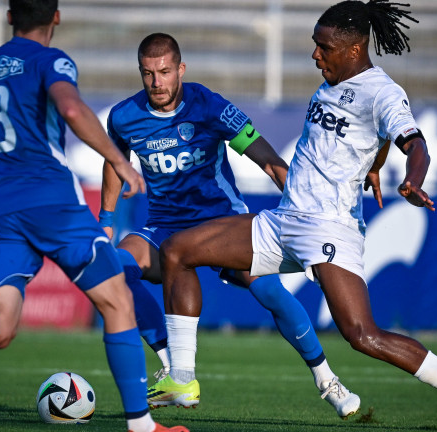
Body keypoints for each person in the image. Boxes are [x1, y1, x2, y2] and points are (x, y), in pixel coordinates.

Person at [158, 2, 437, 432]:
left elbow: (415, 143)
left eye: (324, 47)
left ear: (354, 48)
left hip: (328, 228)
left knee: (362, 335)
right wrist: (374, 162)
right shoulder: (332, 85)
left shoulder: (382, 91)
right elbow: (372, 136)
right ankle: (183, 379)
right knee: (177, 251)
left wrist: (413, 180)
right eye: (315, 45)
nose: (315, 55)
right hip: (284, 220)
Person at [0, 2, 188, 431]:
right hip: (51, 201)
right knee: (117, 299)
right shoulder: (52, 60)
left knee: (3, 326)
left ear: (9, 17)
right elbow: (73, 110)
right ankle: (143, 426)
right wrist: (119, 161)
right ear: (55, 17)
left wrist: (4, 192)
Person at [100, 32, 360, 419]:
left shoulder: (210, 106)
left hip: (222, 221)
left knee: (269, 292)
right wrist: (105, 223)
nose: (157, 83)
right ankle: (174, 367)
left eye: (165, 72)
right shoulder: (124, 117)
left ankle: (328, 380)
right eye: (148, 74)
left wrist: (307, 217)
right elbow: (112, 163)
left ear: (181, 70)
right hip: (165, 226)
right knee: (115, 271)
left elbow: (267, 158)